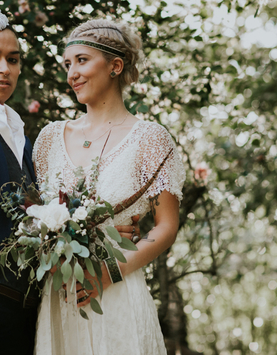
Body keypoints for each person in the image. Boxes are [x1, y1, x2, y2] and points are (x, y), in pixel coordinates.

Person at [0, 0, 140, 354]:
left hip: (30, 320)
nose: (5, 68)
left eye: (13, 59)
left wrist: (104, 231)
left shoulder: (29, 141)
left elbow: (50, 222)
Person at [32, 19, 186, 354]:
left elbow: (167, 226)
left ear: (115, 65)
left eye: (82, 60)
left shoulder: (150, 139)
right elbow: (37, 216)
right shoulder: (48, 140)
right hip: (61, 293)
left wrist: (107, 273)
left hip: (117, 293)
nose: (72, 73)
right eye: (67, 64)